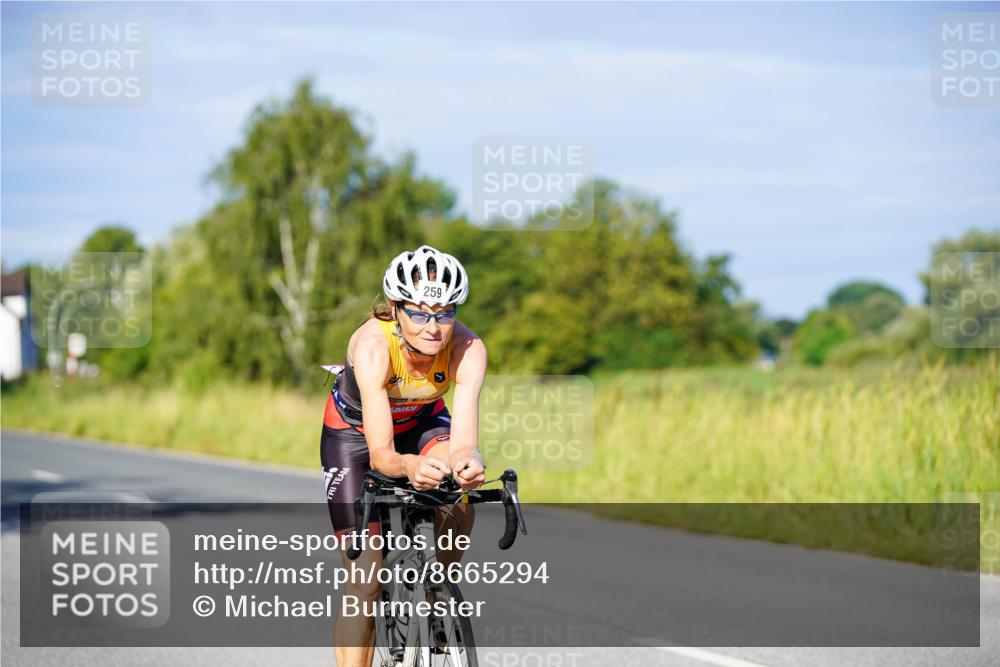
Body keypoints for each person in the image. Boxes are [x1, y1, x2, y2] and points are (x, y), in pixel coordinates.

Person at [320, 245, 487, 667]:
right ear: (395, 308)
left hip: (423, 419)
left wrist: (468, 463)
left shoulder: (469, 348)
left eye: (445, 312)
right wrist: (411, 466)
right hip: (356, 436)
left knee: (458, 488)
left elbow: (463, 442)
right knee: (365, 585)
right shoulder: (373, 346)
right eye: (420, 312)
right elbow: (382, 456)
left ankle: (436, 587)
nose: (434, 327)